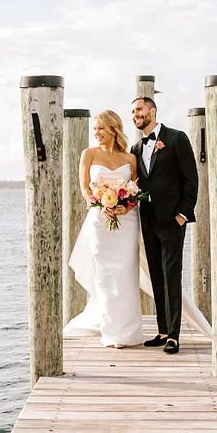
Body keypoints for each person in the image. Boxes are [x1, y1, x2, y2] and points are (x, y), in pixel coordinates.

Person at [63, 110, 145, 348]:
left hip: (127, 222)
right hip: (99, 221)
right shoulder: (88, 154)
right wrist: (100, 204)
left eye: (100, 128)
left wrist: (126, 208)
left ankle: (130, 332)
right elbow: (85, 190)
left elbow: (136, 191)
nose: (96, 133)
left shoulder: (130, 159)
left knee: (127, 274)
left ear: (113, 129)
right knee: (106, 275)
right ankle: (111, 332)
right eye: (94, 129)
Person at [130, 96, 199, 354]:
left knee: (172, 275)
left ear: (152, 111)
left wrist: (183, 214)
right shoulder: (136, 149)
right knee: (157, 276)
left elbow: (191, 179)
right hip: (147, 221)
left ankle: (174, 335)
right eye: (133, 111)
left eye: (139, 109)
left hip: (172, 220)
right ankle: (161, 330)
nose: (135, 114)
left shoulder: (176, 138)